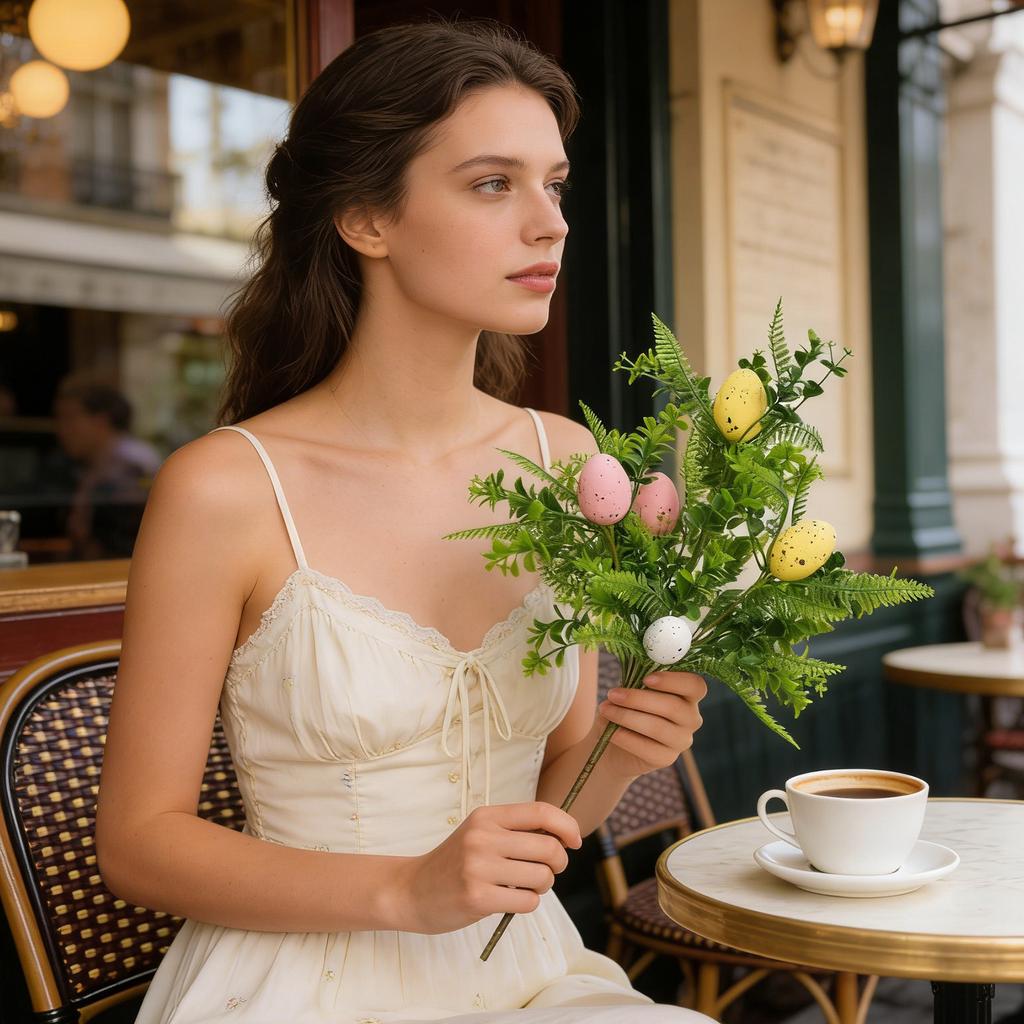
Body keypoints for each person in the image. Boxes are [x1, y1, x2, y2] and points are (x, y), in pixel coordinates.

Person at [96, 18, 711, 1023]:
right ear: (365, 219)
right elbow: (137, 843)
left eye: (554, 184)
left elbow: (549, 804)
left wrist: (625, 748)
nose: (549, 223)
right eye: (492, 183)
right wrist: (402, 891)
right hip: (299, 989)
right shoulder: (226, 488)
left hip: (525, 976)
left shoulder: (567, 461)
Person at [52, 374, 163, 559]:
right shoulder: (89, 465)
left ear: (101, 421)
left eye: (69, 418)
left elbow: (129, 538)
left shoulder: (132, 463)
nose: (61, 429)